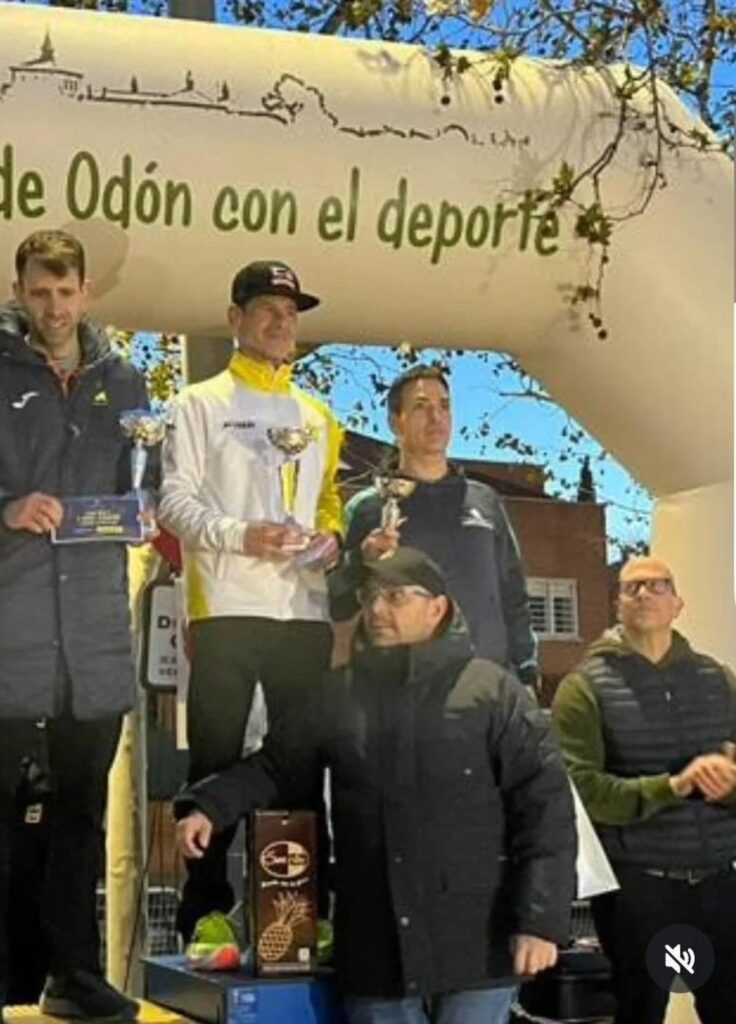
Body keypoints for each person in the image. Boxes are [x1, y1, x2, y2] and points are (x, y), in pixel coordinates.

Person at [177, 547, 575, 1024]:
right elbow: (276, 766)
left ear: (437, 607)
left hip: (478, 951)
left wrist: (540, 921)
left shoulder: (493, 692)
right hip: (375, 953)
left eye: (396, 597)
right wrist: (208, 806)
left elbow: (546, 809)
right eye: (370, 597)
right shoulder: (336, 694)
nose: (378, 610)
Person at [0, 229, 153, 1023]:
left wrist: (145, 511)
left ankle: (73, 975)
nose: (54, 308)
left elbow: (145, 477)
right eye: (40, 293)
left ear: (87, 292)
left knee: (80, 816)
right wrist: (4, 508)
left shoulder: (124, 381)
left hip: (94, 638)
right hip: (6, 633)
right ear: (19, 292)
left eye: (66, 292)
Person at [158, 259, 343, 948]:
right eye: (266, 310)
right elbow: (172, 502)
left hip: (303, 612)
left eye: (289, 313)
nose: (280, 323)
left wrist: (331, 541)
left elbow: (328, 503)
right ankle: (206, 911)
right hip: (227, 606)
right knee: (214, 761)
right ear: (235, 319)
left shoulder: (318, 416)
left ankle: (301, 914)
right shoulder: (196, 403)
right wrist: (242, 535)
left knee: (302, 765)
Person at [552, 555, 736, 1024]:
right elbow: (584, 792)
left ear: (678, 604)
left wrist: (728, 786)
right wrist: (674, 786)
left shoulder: (718, 680)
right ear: (617, 604)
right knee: (642, 1011)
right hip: (640, 887)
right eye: (632, 587)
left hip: (720, 881)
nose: (644, 594)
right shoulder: (584, 687)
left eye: (658, 585)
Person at [329, 365, 537, 685]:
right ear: (396, 422)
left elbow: (513, 595)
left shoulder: (485, 501)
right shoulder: (368, 508)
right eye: (421, 407)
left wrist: (526, 670)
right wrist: (360, 560)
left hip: (484, 682)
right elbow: (337, 602)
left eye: (444, 406)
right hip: (399, 687)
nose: (436, 417)